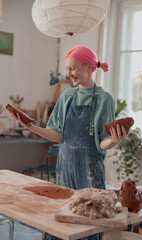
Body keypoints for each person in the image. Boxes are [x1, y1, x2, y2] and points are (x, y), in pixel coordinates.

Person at [8, 45, 126, 240]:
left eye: (73, 68)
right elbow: (58, 136)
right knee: (63, 222)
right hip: (65, 168)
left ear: (89, 67)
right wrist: (30, 126)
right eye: (68, 69)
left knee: (90, 223)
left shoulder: (105, 100)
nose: (69, 74)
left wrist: (114, 140)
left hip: (90, 170)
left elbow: (101, 143)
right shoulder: (67, 97)